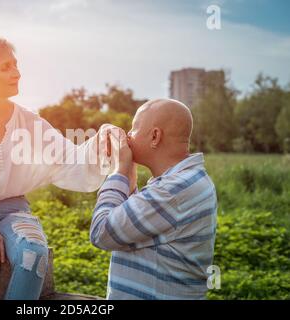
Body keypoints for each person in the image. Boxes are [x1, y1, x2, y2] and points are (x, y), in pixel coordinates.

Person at [0, 38, 114, 299]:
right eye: (5, 67)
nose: (16, 73)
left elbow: (71, 158)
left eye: (15, 65)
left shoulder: (29, 121)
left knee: (33, 256)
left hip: (13, 211)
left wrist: (100, 143)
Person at [90, 98, 218, 300]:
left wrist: (118, 171)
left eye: (134, 128)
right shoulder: (188, 180)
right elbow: (136, 225)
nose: (129, 135)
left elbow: (101, 232)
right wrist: (129, 172)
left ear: (155, 136)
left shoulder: (173, 190)